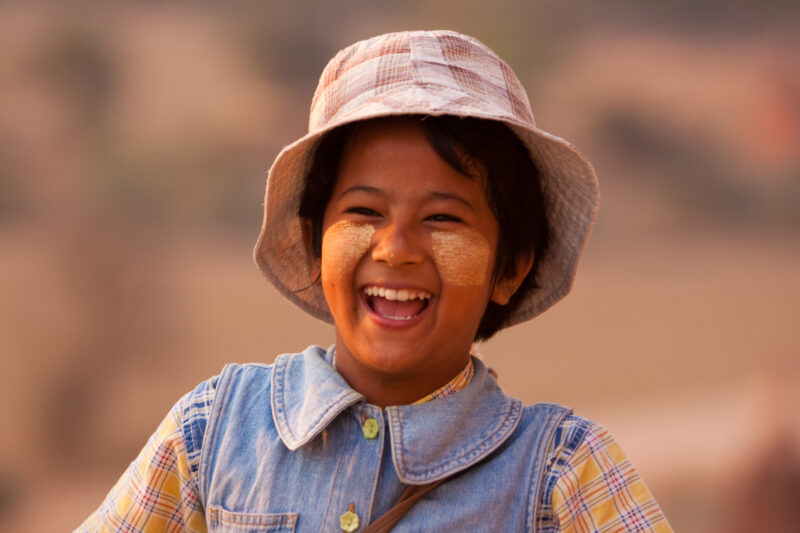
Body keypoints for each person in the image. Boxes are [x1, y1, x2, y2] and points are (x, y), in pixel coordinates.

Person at [77, 30, 672, 532]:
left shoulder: (561, 472)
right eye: (363, 213)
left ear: (509, 268)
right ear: (313, 243)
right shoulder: (213, 433)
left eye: (443, 219)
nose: (396, 250)